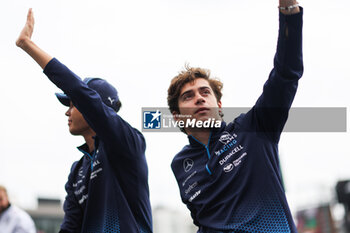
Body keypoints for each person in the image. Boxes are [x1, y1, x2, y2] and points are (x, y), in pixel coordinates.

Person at [167, 1, 303, 232]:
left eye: (205, 92)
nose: (199, 98)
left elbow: (286, 73)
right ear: (178, 117)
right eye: (188, 96)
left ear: (219, 106)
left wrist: (289, 12)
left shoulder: (254, 127)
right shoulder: (180, 164)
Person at [16, 9, 152, 233]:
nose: (67, 113)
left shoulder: (128, 143)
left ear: (93, 107)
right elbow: (70, 227)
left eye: (72, 104)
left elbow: (80, 92)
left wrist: (27, 45)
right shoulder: (77, 169)